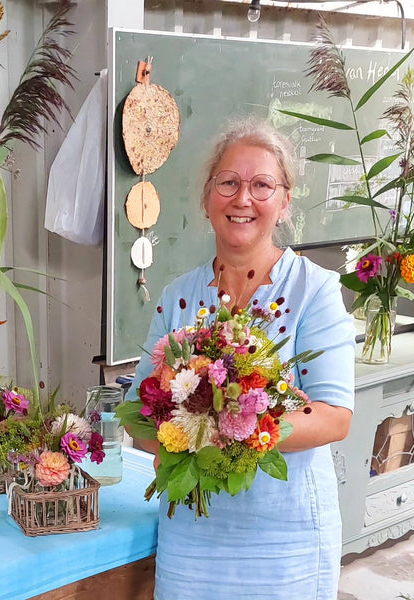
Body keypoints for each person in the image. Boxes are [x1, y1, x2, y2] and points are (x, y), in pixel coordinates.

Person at [127, 116, 355, 600]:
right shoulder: (177, 297)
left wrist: (237, 429)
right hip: (192, 535)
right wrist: (185, 434)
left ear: (284, 200)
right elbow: (138, 414)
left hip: (286, 540)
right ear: (208, 198)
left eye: (261, 185)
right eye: (228, 183)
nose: (242, 199)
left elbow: (334, 416)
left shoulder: (314, 290)